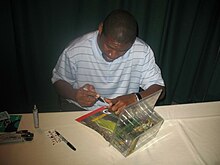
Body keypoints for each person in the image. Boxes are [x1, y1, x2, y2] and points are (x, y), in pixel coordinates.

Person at [51, 9, 165, 114]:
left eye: (122, 51)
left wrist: (135, 98)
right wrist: (75, 95)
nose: (112, 55)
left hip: (122, 111)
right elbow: (58, 81)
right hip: (80, 109)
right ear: (100, 29)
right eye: (109, 46)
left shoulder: (142, 51)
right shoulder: (76, 49)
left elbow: (160, 90)